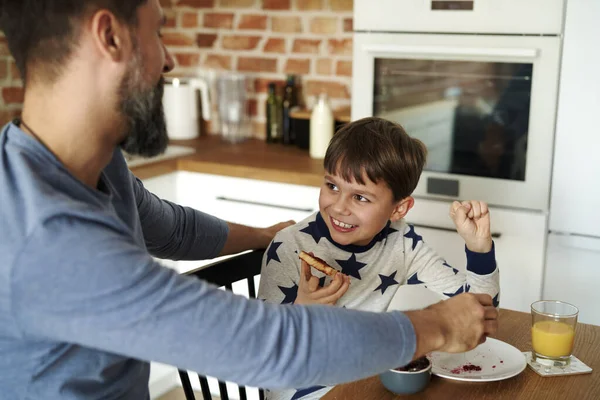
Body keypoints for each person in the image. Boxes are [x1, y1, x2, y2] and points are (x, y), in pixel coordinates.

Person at [0, 1, 498, 399]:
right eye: (158, 32)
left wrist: (263, 237)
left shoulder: (96, 164)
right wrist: (433, 326)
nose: (169, 59)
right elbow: (270, 346)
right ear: (110, 37)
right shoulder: (46, 238)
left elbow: (169, 227)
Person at [258, 117, 500, 400]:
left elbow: (480, 312)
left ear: (399, 209)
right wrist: (301, 310)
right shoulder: (290, 246)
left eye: (360, 198)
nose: (338, 207)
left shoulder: (402, 243)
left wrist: (479, 249)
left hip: (365, 382)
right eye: (332, 186)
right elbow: (264, 353)